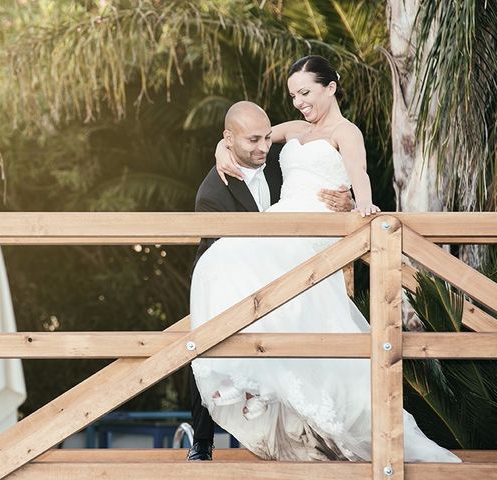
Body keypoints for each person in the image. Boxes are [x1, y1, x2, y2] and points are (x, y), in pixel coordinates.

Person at [189, 55, 460, 462]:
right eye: (293, 94)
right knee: (220, 262)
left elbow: (361, 175)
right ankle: (252, 380)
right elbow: (252, 136)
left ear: (330, 87)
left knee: (261, 276)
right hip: (282, 220)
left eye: (305, 92)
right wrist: (219, 147)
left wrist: (362, 207)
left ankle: (271, 387)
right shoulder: (294, 129)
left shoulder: (346, 132)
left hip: (315, 230)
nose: (298, 101)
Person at [187, 99, 354, 461]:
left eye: (266, 138)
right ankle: (202, 441)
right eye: (252, 141)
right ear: (228, 139)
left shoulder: (283, 163)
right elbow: (224, 256)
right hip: (234, 283)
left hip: (295, 275)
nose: (263, 147)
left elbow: (314, 189)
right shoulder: (213, 193)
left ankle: (313, 434)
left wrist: (347, 200)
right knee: (206, 341)